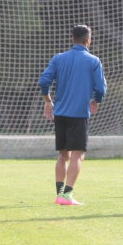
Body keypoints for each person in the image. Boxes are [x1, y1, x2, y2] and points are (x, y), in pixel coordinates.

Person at [39, 24, 107, 205]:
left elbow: (44, 81)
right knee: (78, 155)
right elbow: (100, 88)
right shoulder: (93, 61)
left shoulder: (58, 58)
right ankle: (67, 196)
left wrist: (48, 101)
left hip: (60, 114)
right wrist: (96, 100)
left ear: (72, 39)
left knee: (63, 155)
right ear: (88, 40)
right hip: (79, 114)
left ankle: (59, 194)